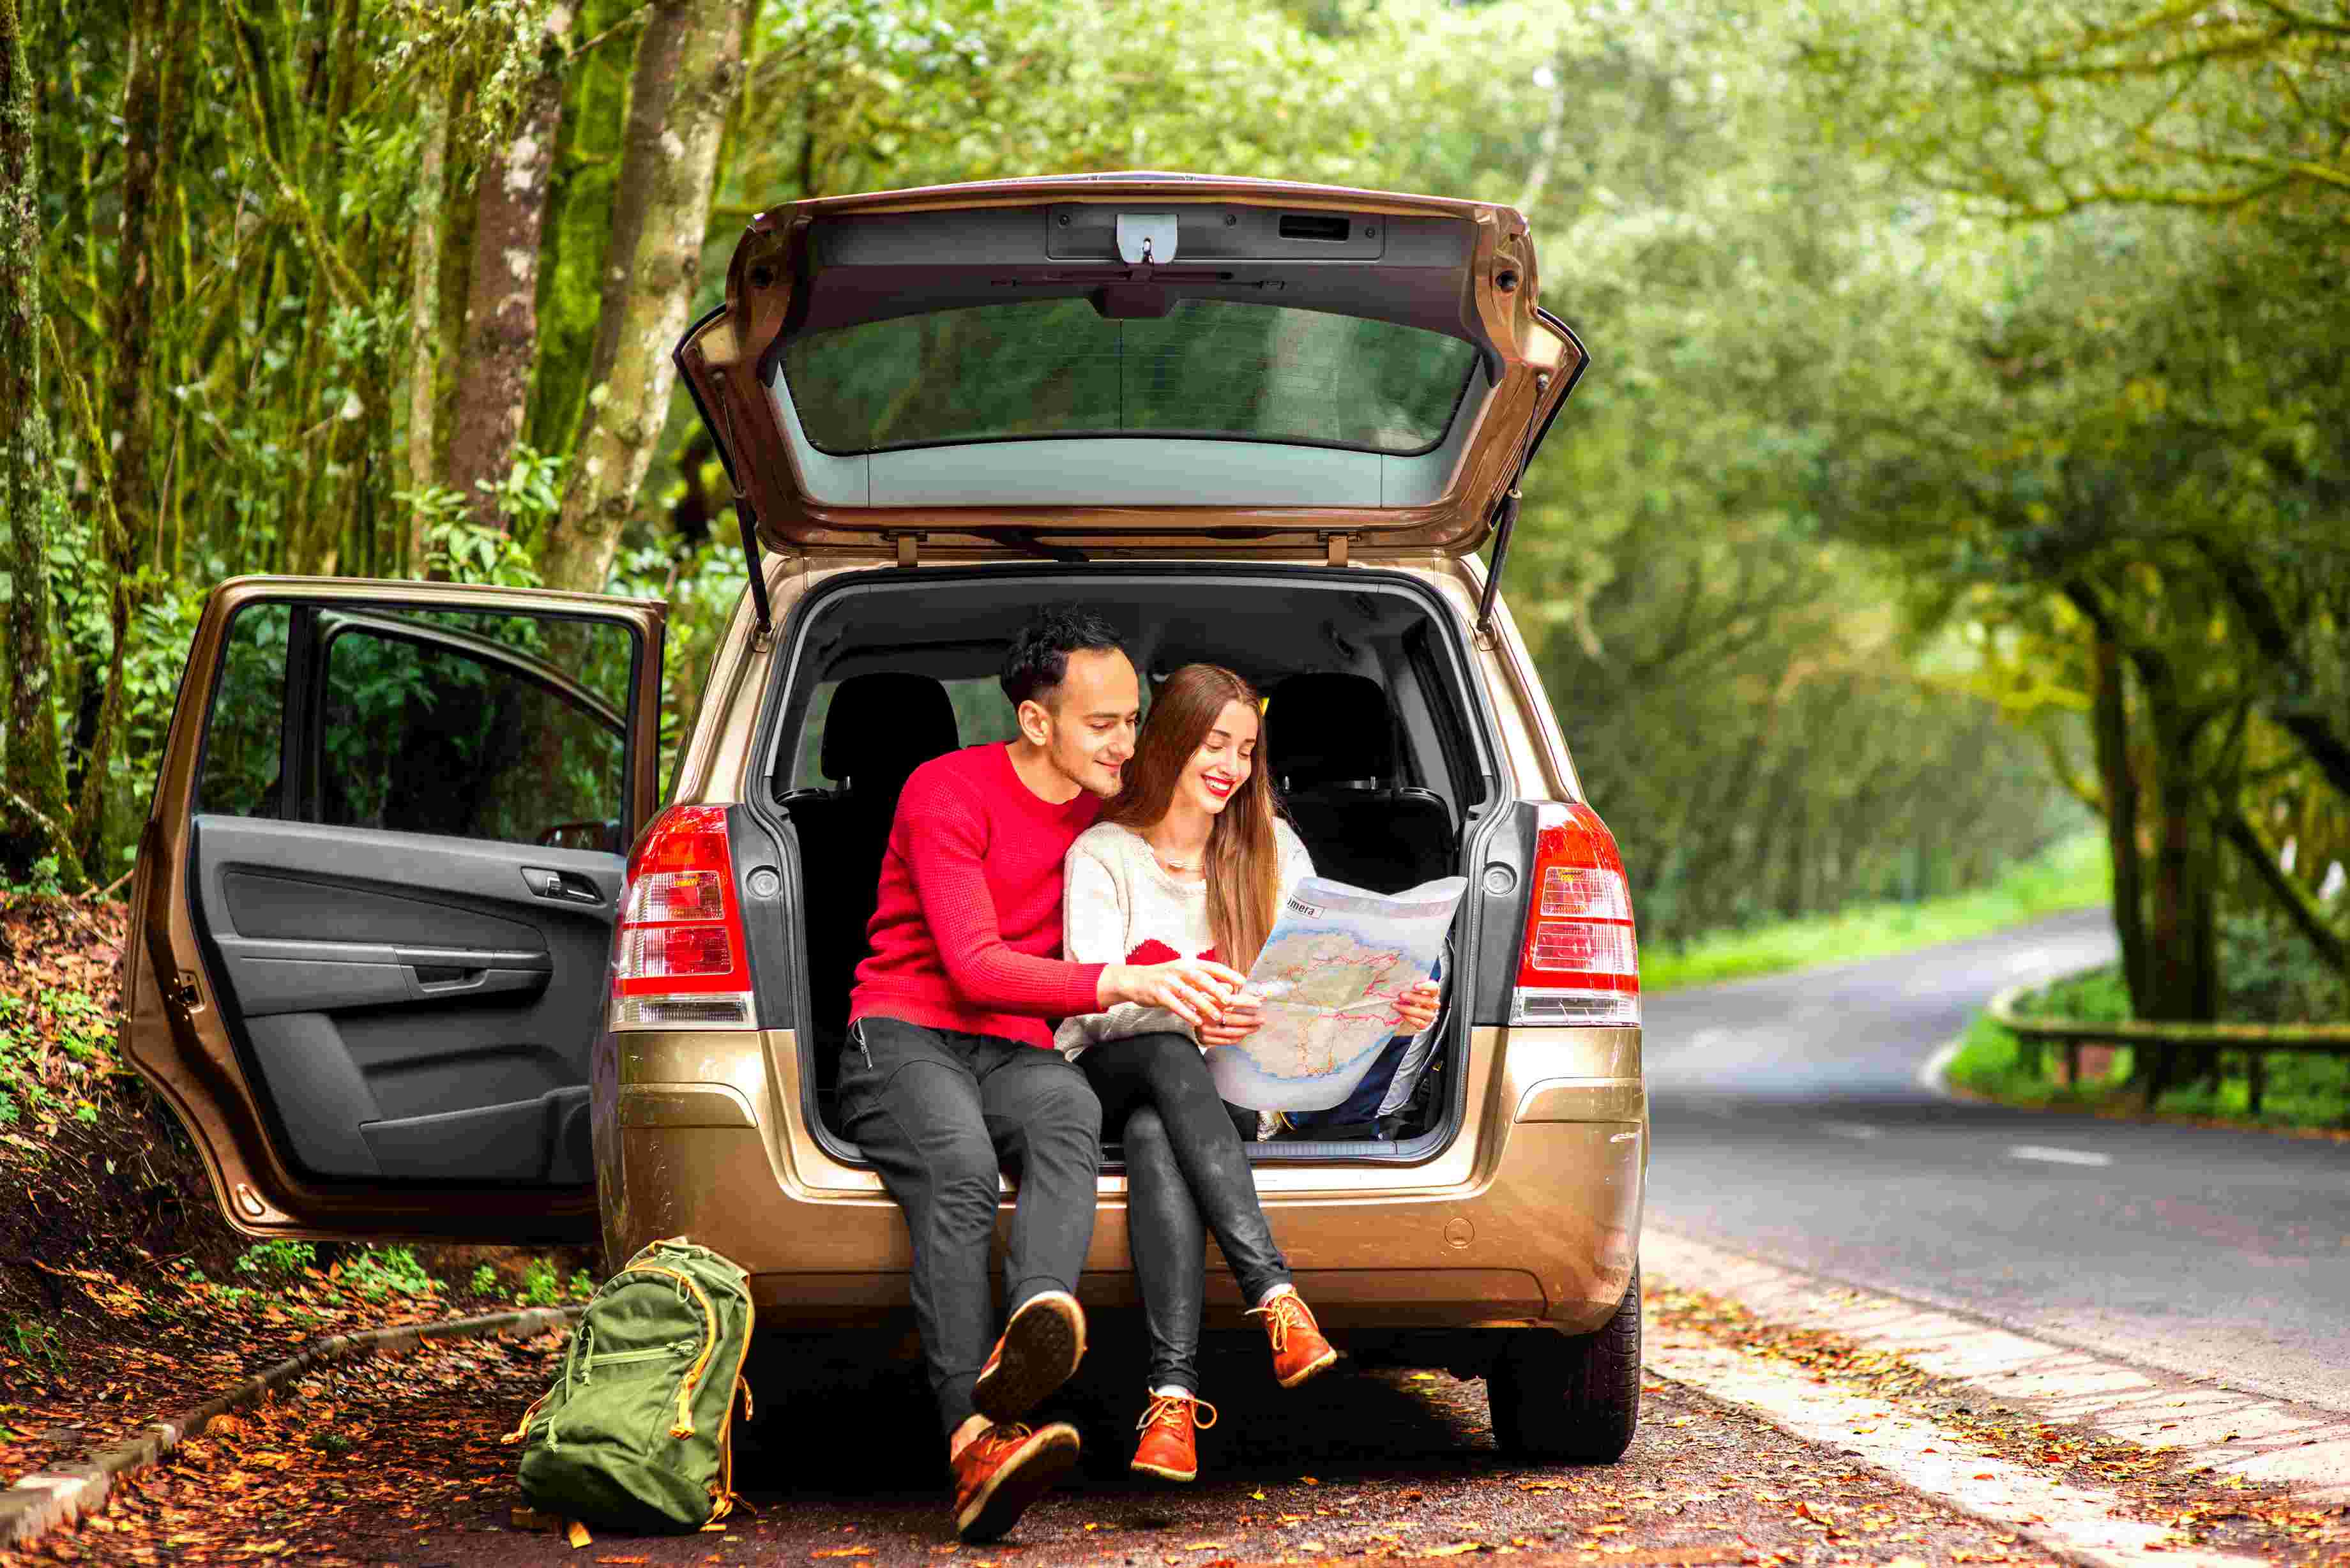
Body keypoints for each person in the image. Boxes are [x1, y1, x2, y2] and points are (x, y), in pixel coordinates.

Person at [844, 610, 1247, 1542]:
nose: (1127, 744)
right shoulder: (945, 790)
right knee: (959, 1170)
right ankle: (972, 1438)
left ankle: (1033, 1335)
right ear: (1035, 722)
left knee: (1067, 1110)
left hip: (1017, 1045)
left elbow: (1213, 844)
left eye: (1134, 721)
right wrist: (1121, 980)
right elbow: (973, 965)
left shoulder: (1114, 806)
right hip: (905, 1030)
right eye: (1103, 724)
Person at [1054, 663, 1441, 1482]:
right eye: (1213, 743)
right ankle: (1273, 1294)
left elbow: (1311, 989)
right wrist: (1185, 1012)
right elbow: (1084, 1005)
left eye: (1245, 749)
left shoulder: (1271, 844)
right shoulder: (1102, 852)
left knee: (1159, 1135)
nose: (1230, 765)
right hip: (1114, 1068)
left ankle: (1170, 1402)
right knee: (1166, 1057)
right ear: (1168, 742)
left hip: (1225, 1087)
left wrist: (1391, 1006)